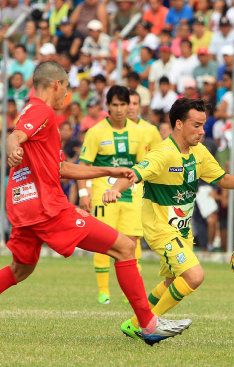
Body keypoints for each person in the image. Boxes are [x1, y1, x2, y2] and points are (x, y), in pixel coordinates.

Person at [0, 62, 192, 345]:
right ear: (56, 85)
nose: (68, 95)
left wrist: (108, 170)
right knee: (124, 246)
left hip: (25, 208)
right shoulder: (41, 111)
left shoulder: (36, 115)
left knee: (20, 269)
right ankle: (148, 325)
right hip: (47, 208)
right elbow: (14, 137)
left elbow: (60, 168)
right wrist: (12, 151)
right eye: (67, 87)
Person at [102, 98, 234, 340]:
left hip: (182, 231)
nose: (201, 132)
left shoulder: (199, 152)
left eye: (203, 126)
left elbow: (219, 178)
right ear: (179, 124)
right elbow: (134, 173)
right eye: (196, 125)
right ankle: (148, 324)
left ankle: (136, 323)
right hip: (160, 229)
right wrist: (116, 188)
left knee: (172, 281)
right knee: (194, 276)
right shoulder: (163, 154)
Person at [78, 85, 149, 306]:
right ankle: (103, 291)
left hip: (131, 193)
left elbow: (143, 165)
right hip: (102, 193)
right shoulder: (96, 132)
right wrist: (84, 192)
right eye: (115, 105)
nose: (119, 109)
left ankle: (133, 292)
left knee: (132, 240)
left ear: (129, 106)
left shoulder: (139, 133)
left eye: (123, 104)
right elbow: (84, 165)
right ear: (107, 106)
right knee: (103, 239)